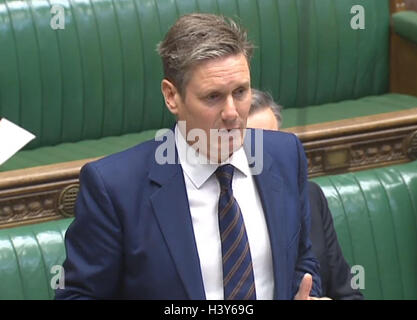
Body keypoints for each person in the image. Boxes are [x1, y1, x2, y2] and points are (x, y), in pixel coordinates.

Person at [55, 13, 322, 300]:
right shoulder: (115, 188)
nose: (232, 112)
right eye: (212, 97)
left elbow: (302, 261)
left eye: (241, 92)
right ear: (171, 96)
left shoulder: (285, 155)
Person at [247, 89, 364, 300]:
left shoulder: (310, 197)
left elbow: (348, 293)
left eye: (275, 141)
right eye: (256, 148)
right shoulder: (224, 213)